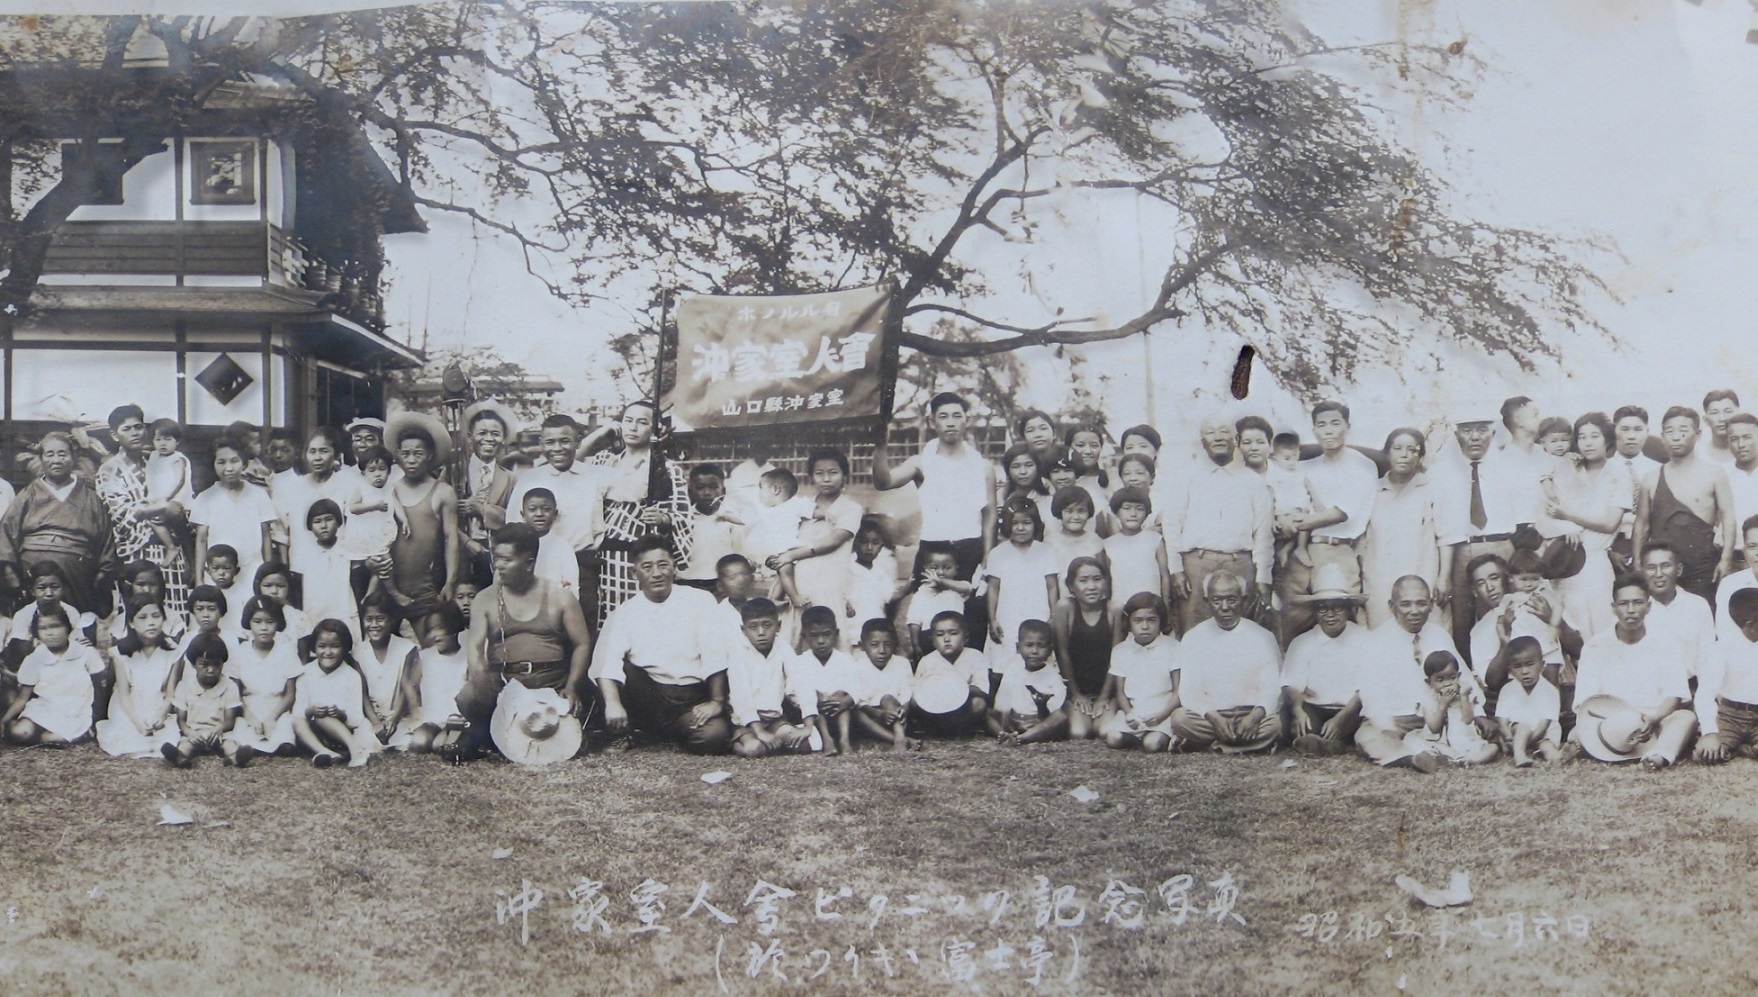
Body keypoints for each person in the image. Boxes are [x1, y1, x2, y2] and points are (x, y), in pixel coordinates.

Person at [453, 524, 595, 762]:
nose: (498, 565)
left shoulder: (560, 597)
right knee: (469, 696)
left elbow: (582, 644)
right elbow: (475, 649)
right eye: (496, 557)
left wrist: (571, 686)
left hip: (551, 682)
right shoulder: (485, 599)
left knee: (576, 703)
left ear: (529, 563)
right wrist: (481, 682)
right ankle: (492, 730)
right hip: (505, 684)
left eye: (506, 560)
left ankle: (494, 735)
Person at [591, 534, 733, 754]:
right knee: (616, 666)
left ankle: (660, 734)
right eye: (647, 567)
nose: (656, 573)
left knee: (713, 737)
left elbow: (715, 654)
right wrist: (613, 704)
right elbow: (606, 662)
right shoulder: (625, 612)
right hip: (649, 695)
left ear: (674, 568)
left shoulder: (700, 600)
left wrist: (716, 701)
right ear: (634, 573)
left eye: (663, 565)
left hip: (691, 698)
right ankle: (625, 733)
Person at [872, 392, 996, 639]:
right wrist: (880, 445)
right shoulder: (921, 462)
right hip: (932, 549)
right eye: (943, 416)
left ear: (966, 421)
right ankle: (924, 669)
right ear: (932, 422)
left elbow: (990, 512)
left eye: (957, 416)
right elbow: (883, 482)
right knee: (925, 619)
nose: (950, 422)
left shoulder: (983, 466)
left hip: (971, 547)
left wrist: (988, 555)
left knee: (969, 616)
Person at [1353, 576, 1487, 771]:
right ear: (1392, 606)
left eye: (1421, 603)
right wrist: (1387, 726)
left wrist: (1480, 713)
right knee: (1367, 736)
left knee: (1468, 733)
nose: (1414, 611)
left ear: (1431, 605)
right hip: (1397, 719)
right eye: (1406, 604)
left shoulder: (1438, 635)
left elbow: (1462, 675)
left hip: (1439, 716)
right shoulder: (1376, 641)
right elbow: (1371, 694)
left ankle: (1428, 751)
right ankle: (1411, 758)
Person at [585, 400, 696, 628]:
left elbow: (683, 515)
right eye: (628, 420)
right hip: (604, 556)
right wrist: (602, 432)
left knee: (642, 619)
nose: (633, 427)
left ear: (655, 430)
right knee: (608, 619)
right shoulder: (604, 460)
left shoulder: (665, 467)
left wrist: (664, 519)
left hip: (641, 555)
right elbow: (572, 462)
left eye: (642, 422)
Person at [1160, 414, 1273, 635]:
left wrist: (1263, 578)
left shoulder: (1253, 482)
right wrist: (1176, 570)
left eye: (1224, 431)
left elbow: (1263, 534)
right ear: (1202, 441)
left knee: (1242, 632)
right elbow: (1172, 525)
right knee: (1194, 631)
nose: (1218, 437)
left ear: (1236, 439)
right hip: (1197, 565)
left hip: (1240, 564)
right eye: (1211, 432)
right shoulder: (1186, 478)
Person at [1569, 574, 1697, 769]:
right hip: (1610, 723)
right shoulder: (1595, 646)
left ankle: (1657, 756)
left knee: (1685, 718)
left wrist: (1654, 718)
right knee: (1575, 735)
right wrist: (1616, 725)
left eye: (1637, 603)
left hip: (1653, 723)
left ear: (1648, 606)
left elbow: (1674, 695)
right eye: (1623, 604)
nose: (1630, 610)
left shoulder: (1666, 643)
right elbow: (1585, 703)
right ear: (1614, 608)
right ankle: (1608, 748)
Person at [1431, 409, 1530, 656]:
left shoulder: (1510, 467)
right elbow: (1444, 526)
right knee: (1462, 618)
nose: (1474, 437)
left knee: (1508, 611)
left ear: (1493, 431)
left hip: (1502, 546)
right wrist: (1444, 576)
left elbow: (1525, 520)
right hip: (1462, 548)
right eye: (1467, 430)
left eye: (1481, 429)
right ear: (1456, 434)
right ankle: (1470, 675)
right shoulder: (1443, 471)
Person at [1280, 402, 1379, 643]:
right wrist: (1283, 517)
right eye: (1321, 425)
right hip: (1303, 551)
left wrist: (1297, 522)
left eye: (1335, 423)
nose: (1329, 431)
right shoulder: (1305, 467)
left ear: (1348, 426)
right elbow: (1285, 499)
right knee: (1295, 617)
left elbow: (1339, 513)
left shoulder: (1362, 465)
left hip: (1340, 549)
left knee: (1344, 618)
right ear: (1314, 430)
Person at [0, 431, 119, 616]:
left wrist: (99, 580)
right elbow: (6, 536)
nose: (56, 460)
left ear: (73, 458)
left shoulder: (91, 498)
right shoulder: (27, 495)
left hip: (79, 576)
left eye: (62, 454)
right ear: (41, 459)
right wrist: (13, 581)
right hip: (31, 576)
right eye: (50, 454)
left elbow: (106, 544)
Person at [94, 404, 189, 620]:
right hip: (136, 551)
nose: (135, 433)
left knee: (175, 610)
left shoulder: (156, 461)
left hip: (169, 547)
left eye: (138, 427)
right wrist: (162, 507)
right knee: (140, 615)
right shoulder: (110, 469)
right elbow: (120, 513)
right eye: (126, 429)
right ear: (114, 435)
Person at [1170, 571, 1283, 752]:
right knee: (1179, 719)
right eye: (1217, 600)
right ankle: (1247, 746)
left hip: (1250, 714)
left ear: (1244, 600)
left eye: (1232, 599)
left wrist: (1255, 716)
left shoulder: (1263, 637)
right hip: (1211, 717)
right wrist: (1214, 718)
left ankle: (1214, 745)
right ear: (1207, 602)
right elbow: (1190, 690)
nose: (1224, 607)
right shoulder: (1193, 638)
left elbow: (1272, 687)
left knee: (1276, 724)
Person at [1633, 406, 1736, 603]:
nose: (1676, 437)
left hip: (1702, 566)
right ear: (1662, 436)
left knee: (1704, 617)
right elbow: (1642, 524)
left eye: (1683, 430)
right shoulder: (1651, 478)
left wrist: (1725, 559)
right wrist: (1638, 562)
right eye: (1670, 431)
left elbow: (1728, 517)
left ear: (1697, 434)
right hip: (1661, 569)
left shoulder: (1714, 474)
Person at [1546, 412, 1634, 641]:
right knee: (1568, 628)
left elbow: (1609, 523)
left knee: (1601, 628)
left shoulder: (1618, 472)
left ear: (1607, 440)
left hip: (1596, 563)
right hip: (1565, 560)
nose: (1588, 442)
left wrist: (1568, 515)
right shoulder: (1568, 469)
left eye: (1594, 436)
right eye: (1582, 437)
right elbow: (1548, 508)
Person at [508, 414, 609, 602]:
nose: (557, 448)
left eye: (565, 441)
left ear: (578, 442)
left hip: (583, 565)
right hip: (541, 564)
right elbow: (514, 527)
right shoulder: (530, 479)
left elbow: (637, 487)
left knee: (582, 623)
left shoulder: (595, 475)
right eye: (550, 442)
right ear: (541, 443)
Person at [769, 450, 864, 635]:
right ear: (811, 477)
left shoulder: (851, 508)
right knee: (796, 637)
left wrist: (792, 555)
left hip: (830, 583)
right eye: (819, 473)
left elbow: (834, 540)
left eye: (833, 472)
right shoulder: (801, 507)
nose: (826, 479)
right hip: (800, 584)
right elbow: (785, 540)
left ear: (845, 476)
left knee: (829, 636)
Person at [1281, 565, 1370, 755]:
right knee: (1303, 724)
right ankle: (1320, 742)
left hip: (1351, 708)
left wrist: (1342, 718)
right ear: (1313, 611)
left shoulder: (1365, 640)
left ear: (1348, 609)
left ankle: (1334, 741)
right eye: (1322, 608)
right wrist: (1297, 710)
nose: (1330, 614)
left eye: (1337, 607)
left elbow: (1368, 687)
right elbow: (1292, 684)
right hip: (1315, 707)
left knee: (1359, 721)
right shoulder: (1302, 642)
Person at [380, 412, 462, 621]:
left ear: (430, 454)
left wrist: (450, 581)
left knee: (430, 645)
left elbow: (451, 538)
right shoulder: (389, 489)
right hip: (388, 584)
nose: (411, 460)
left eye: (418, 453)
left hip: (425, 588)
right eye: (405, 453)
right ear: (397, 455)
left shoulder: (443, 492)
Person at [1360, 428, 1441, 630]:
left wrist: (1443, 577)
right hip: (1380, 580)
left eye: (1412, 450)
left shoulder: (1432, 488)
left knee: (1427, 636)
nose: (1404, 455)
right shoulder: (1371, 490)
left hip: (1423, 575)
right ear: (1387, 453)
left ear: (1420, 455)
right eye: (1397, 448)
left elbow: (1444, 537)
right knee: (1382, 635)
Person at [724, 598, 820, 759]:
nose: (761, 632)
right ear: (743, 630)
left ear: (778, 626)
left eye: (767, 625)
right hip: (746, 722)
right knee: (754, 750)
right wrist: (759, 731)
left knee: (805, 744)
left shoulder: (783, 648)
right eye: (753, 626)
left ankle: (772, 741)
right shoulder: (738, 653)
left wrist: (808, 726)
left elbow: (801, 684)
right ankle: (736, 744)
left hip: (774, 719)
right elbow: (741, 698)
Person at [93, 595, 181, 758]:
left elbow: (170, 693)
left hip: (158, 704)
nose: (151, 622)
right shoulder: (121, 652)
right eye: (142, 617)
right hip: (129, 707)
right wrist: (137, 722)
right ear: (132, 623)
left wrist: (161, 715)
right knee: (125, 738)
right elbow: (124, 694)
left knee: (168, 737)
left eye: (156, 616)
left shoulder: (173, 651)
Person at [3, 608, 103, 745]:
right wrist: (4, 721)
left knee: (51, 739)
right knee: (19, 733)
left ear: (68, 628)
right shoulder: (34, 659)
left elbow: (99, 689)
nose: (50, 633)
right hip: (44, 707)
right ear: (37, 633)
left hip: (77, 710)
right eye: (43, 629)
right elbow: (22, 697)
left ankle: (78, 733)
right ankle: (36, 730)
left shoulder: (85, 653)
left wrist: (97, 720)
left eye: (56, 626)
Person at [292, 618, 382, 768]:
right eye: (322, 646)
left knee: (324, 717)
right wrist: (311, 711)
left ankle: (355, 751)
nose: (327, 652)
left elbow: (356, 718)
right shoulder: (306, 673)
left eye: (334, 646)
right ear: (314, 648)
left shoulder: (351, 675)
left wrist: (340, 714)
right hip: (314, 735)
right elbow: (298, 712)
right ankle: (326, 753)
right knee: (298, 721)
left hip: (344, 732)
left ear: (345, 648)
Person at [225, 596, 303, 761]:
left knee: (285, 737)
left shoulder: (287, 652)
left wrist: (272, 718)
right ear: (249, 623)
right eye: (257, 622)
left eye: (270, 622)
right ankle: (247, 750)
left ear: (278, 623)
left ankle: (277, 745)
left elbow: (290, 694)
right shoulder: (240, 652)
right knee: (242, 733)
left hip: (278, 709)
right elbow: (235, 693)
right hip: (249, 709)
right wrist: (250, 717)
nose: (264, 628)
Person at [1100, 593, 1180, 752]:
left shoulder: (1173, 647)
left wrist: (1162, 715)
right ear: (1128, 623)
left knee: (1152, 745)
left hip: (1162, 713)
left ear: (1161, 621)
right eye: (1138, 620)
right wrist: (1129, 714)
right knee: (1112, 738)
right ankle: (1135, 737)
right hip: (1134, 713)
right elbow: (1120, 692)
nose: (1145, 626)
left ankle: (1153, 737)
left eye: (1151, 620)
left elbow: (1178, 691)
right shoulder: (1121, 650)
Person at [190, 439, 276, 588]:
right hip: (219, 574)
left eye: (234, 461)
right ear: (213, 465)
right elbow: (201, 541)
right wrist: (199, 579)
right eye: (221, 462)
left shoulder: (259, 495)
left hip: (253, 570)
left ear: (243, 463)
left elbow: (266, 536)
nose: (228, 468)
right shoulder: (205, 498)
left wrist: (267, 574)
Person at [982, 499, 1059, 665]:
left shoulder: (1046, 551)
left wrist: (1053, 616)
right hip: (1008, 613)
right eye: (1015, 523)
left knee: (1037, 655)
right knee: (1006, 656)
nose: (1020, 528)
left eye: (1027, 523)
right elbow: (993, 589)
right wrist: (993, 619)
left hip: (1038, 611)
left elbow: (1052, 586)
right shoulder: (997, 553)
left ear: (1035, 524)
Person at [274, 428, 354, 583]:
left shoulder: (347, 486)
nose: (317, 458)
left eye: (324, 451)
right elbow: (281, 534)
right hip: (301, 568)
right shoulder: (290, 488)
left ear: (336, 454)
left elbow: (353, 530)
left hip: (338, 568)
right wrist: (286, 570)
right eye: (312, 452)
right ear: (305, 455)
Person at [392, 603, 472, 754]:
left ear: (454, 628)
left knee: (439, 746)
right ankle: (442, 737)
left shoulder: (465, 657)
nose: (434, 635)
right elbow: (409, 684)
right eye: (430, 630)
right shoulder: (426, 656)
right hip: (432, 719)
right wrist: (415, 708)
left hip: (456, 719)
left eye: (439, 629)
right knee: (419, 743)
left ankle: (454, 736)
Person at [457, 399, 519, 590]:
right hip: (458, 548)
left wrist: (482, 509)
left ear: (503, 439)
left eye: (495, 434)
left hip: (492, 552)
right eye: (482, 433)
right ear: (470, 437)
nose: (488, 439)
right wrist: (466, 542)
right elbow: (439, 515)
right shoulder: (455, 472)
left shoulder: (510, 479)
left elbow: (513, 518)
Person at [1051, 556, 1116, 740]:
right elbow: (1062, 653)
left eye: (1097, 579)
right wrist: (1076, 695)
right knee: (1079, 733)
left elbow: (1117, 657)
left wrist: (1104, 697)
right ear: (1071, 586)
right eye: (1083, 580)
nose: (1091, 586)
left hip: (1106, 690)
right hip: (1077, 690)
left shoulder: (1114, 610)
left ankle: (1105, 709)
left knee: (1104, 731)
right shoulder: (1065, 608)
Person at [1694, 587, 1758, 764]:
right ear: (1750, 624)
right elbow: (1705, 695)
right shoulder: (1722, 649)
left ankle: (1748, 748)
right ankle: (1733, 747)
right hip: (1730, 716)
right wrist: (1710, 733)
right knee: (1706, 754)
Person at [1637, 542, 1716, 684]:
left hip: (1689, 692)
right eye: (1651, 568)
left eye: (1665, 566)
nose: (1658, 574)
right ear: (1642, 571)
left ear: (1678, 569)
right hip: (1645, 692)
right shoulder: (1634, 608)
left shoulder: (1697, 606)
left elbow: (1707, 659)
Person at [163, 633, 242, 768]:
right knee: (185, 745)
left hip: (219, 735)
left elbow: (229, 720)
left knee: (230, 745)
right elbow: (181, 720)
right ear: (194, 664)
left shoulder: (229, 686)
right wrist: (189, 732)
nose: (211, 670)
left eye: (216, 664)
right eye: (204, 665)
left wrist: (220, 729)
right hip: (194, 734)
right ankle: (180, 758)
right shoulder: (185, 686)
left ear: (223, 663)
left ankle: (234, 758)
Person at [1406, 650, 1498, 766]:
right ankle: (1436, 759)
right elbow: (1434, 728)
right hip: (1439, 742)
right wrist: (1442, 705)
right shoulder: (1428, 700)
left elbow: (1468, 720)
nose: (1447, 683)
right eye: (1440, 680)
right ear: (1429, 682)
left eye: (1452, 677)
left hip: (1464, 741)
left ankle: (1471, 760)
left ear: (1458, 676)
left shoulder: (1464, 693)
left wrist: (1464, 697)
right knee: (1414, 741)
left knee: (1492, 747)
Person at [909, 610, 992, 736]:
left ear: (966, 638)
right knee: (914, 702)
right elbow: (918, 691)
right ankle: (937, 728)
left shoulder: (976, 657)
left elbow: (983, 691)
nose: (947, 639)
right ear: (933, 640)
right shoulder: (927, 661)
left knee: (978, 704)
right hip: (935, 708)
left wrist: (958, 688)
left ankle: (958, 729)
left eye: (953, 633)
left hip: (962, 709)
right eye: (940, 635)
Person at [795, 605, 864, 755]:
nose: (821, 641)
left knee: (841, 695)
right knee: (813, 699)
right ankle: (827, 740)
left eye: (826, 635)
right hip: (815, 717)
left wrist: (845, 700)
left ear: (836, 634)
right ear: (804, 637)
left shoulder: (845, 660)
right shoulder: (800, 662)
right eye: (814, 636)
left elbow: (856, 687)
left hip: (840, 714)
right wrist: (816, 700)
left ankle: (844, 740)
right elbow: (792, 691)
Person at [990, 619, 1069, 745]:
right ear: (1018, 647)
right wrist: (1005, 723)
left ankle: (1023, 738)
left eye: (1041, 646)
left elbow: (1052, 714)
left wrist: (1041, 705)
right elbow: (1002, 704)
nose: (1034, 651)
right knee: (985, 713)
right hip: (1013, 720)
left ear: (1050, 650)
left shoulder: (1053, 676)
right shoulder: (1013, 669)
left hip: (1036, 724)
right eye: (1029, 645)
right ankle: (1002, 734)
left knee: (1061, 718)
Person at [356, 593, 417, 745]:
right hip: (371, 717)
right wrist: (376, 722)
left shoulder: (407, 649)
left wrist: (394, 719)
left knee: (407, 741)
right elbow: (362, 693)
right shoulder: (357, 652)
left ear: (391, 620)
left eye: (380, 619)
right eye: (369, 619)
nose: (374, 625)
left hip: (400, 716)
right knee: (366, 740)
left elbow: (406, 688)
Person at [849, 619, 916, 750]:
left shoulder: (902, 663)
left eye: (888, 644)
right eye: (874, 645)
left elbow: (907, 693)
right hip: (872, 718)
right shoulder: (857, 666)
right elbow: (860, 701)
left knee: (887, 698)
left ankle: (900, 736)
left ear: (895, 644)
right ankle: (898, 739)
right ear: (862, 646)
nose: (882, 650)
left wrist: (903, 710)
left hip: (898, 717)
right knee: (855, 713)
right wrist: (879, 714)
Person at [1610, 405, 1663, 572]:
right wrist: (1608, 552)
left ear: (1647, 431)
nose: (1631, 436)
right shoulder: (1602, 469)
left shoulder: (1660, 470)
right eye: (1624, 429)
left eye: (1638, 429)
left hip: (1650, 544)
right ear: (1614, 431)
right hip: (1611, 543)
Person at [1495, 636, 1562, 766]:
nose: (1525, 671)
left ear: (1542, 665)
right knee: (1523, 727)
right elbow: (1502, 722)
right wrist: (1509, 737)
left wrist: (1527, 743)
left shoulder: (1550, 691)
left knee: (1547, 745)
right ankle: (1519, 756)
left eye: (1530, 664)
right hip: (1518, 733)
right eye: (1518, 667)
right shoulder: (1507, 690)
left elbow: (1544, 726)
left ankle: (1556, 756)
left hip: (1542, 734)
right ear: (1510, 671)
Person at [678, 463, 742, 592]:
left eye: (713, 487)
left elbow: (739, 554)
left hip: (720, 584)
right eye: (700, 487)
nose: (707, 493)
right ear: (690, 491)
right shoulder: (682, 519)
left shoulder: (732, 520)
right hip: (687, 582)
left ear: (723, 491)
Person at [1102, 486, 1168, 609]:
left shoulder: (1155, 539)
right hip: (1120, 605)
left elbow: (1164, 576)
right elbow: (1107, 581)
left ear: (1147, 513)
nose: (1133, 514)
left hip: (1151, 606)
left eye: (1139, 509)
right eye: (1126, 508)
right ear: (1116, 512)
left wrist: (1165, 606)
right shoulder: (1108, 544)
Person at [904, 544, 971, 657]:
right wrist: (915, 645)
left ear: (956, 569)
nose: (940, 572)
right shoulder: (922, 594)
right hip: (929, 637)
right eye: (934, 568)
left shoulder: (958, 589)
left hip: (955, 636)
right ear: (926, 569)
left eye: (947, 567)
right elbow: (914, 620)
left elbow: (968, 588)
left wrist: (941, 582)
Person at [844, 519, 902, 648]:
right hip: (853, 629)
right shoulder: (847, 568)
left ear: (881, 546)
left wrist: (910, 586)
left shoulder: (880, 571)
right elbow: (838, 592)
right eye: (864, 542)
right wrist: (845, 602)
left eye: (875, 543)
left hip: (875, 628)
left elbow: (891, 595)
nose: (869, 548)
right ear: (855, 543)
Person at [144, 418, 194, 564]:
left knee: (165, 514)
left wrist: (165, 499)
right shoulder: (154, 455)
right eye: (158, 439)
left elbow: (179, 481)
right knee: (152, 518)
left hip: (176, 499)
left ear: (176, 441)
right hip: (158, 499)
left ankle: (184, 553)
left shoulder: (177, 458)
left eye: (167, 439)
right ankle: (171, 546)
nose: (162, 443)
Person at [342, 445, 401, 561]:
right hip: (363, 534)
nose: (377, 474)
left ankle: (377, 578)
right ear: (364, 474)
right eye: (372, 470)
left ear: (389, 471)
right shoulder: (362, 488)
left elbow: (397, 505)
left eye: (382, 469)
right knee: (360, 565)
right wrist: (374, 506)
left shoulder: (390, 489)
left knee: (384, 562)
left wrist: (405, 521)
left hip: (380, 532)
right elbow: (352, 508)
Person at [519, 490, 579, 596]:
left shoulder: (563, 548)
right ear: (523, 514)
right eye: (532, 509)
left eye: (546, 509)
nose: (539, 514)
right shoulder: (516, 545)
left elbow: (572, 588)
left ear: (555, 514)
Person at [996, 443, 1053, 543]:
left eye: (1029, 465)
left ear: (1037, 467)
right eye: (1016, 466)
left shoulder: (1049, 500)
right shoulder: (1001, 500)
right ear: (1007, 470)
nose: (1023, 472)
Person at [1714, 516, 1758, 641]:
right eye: (1752, 546)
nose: (1757, 552)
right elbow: (1726, 636)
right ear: (1744, 551)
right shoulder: (1730, 585)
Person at [1046, 485, 1103, 578]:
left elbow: (1103, 576)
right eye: (1069, 511)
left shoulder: (1095, 540)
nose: (1076, 517)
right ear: (1060, 512)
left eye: (1081, 511)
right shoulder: (1051, 542)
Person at [1699, 389, 1741, 464]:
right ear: (1705, 420)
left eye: (1728, 411)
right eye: (1714, 413)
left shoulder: (1754, 452)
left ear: (1738, 415)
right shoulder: (1698, 455)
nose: (1722, 419)